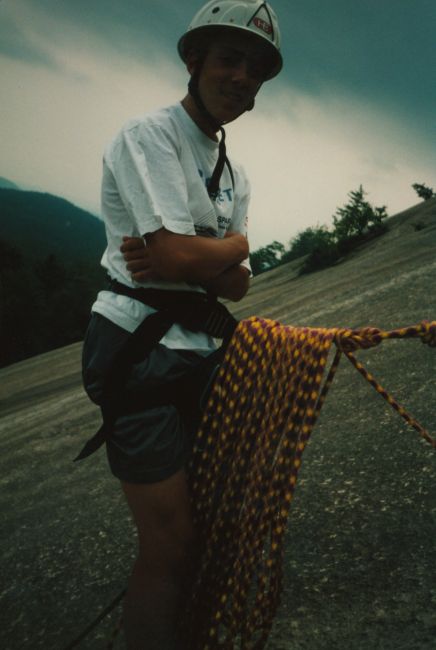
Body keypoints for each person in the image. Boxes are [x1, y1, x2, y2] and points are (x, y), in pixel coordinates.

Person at [81, 1, 283, 648]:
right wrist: (229, 247)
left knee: (214, 513)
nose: (242, 78)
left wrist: (220, 256)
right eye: (229, 59)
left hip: (200, 343)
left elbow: (235, 285)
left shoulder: (235, 174)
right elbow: (172, 257)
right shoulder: (150, 136)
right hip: (136, 345)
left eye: (254, 69)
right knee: (168, 545)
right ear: (194, 61)